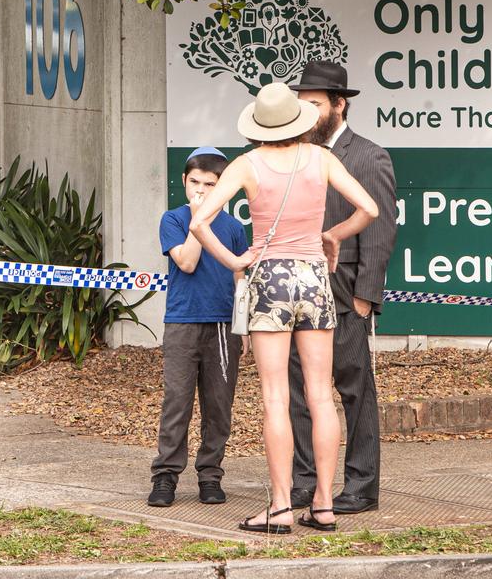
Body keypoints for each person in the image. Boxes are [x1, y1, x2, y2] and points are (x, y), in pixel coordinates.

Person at [190, 83, 378, 534]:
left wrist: (235, 260)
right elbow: (368, 208)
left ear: (259, 124)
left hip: (268, 278)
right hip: (314, 278)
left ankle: (278, 508)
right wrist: (333, 235)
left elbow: (199, 222)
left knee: (275, 397)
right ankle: (325, 505)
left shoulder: (247, 165)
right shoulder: (321, 158)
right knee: (321, 395)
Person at [288, 60, 398, 516]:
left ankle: (361, 485)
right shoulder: (294, 153)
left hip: (346, 287)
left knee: (354, 387)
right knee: (300, 387)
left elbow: (380, 228)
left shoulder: (368, 156)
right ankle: (305, 481)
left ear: (339, 104)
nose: (308, 113)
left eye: (315, 105)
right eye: (302, 105)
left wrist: (365, 294)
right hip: (300, 285)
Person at [147, 147, 248, 508]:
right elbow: (187, 263)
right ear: (184, 182)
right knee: (177, 401)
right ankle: (165, 477)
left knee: (219, 404)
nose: (201, 190)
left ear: (224, 187)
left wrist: (244, 327)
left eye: (210, 184)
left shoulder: (235, 227)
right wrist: (199, 219)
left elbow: (240, 277)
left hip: (223, 327)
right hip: (183, 322)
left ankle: (210, 475)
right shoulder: (173, 220)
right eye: (195, 183)